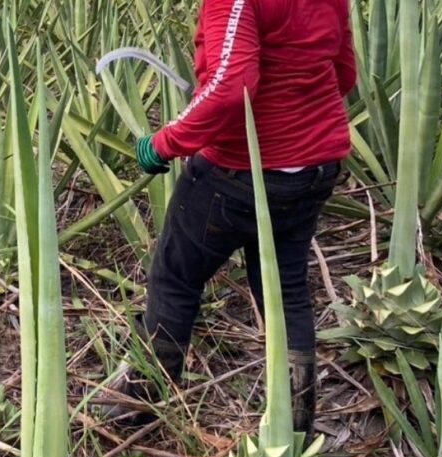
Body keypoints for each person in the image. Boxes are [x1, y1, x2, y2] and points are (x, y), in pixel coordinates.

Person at [104, 0, 356, 434]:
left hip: (240, 171)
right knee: (284, 288)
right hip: (315, 167)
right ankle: (295, 423)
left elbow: (230, 88)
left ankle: (140, 401)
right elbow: (343, 73)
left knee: (176, 277)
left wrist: (164, 144)